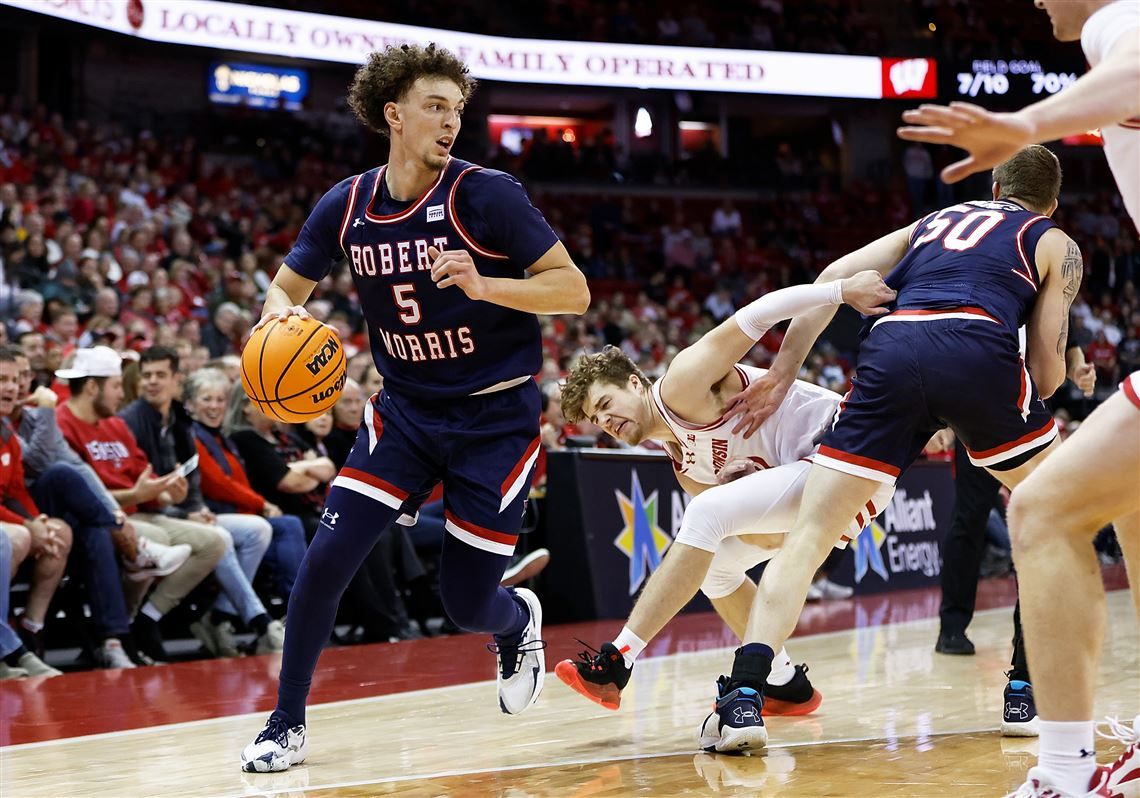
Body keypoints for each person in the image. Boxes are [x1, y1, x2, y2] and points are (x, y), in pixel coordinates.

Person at [239, 43, 588, 773]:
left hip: (494, 422)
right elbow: (282, 289)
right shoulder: (346, 203)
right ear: (394, 115)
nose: (450, 121)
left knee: (466, 602)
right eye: (435, 106)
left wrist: (486, 286)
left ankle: (515, 617)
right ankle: (285, 722)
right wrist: (279, 323)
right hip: (403, 413)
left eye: (458, 109)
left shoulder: (487, 194)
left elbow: (572, 290)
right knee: (325, 559)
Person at [720, 146, 1084, 759]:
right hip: (978, 347)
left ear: (995, 185)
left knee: (809, 536)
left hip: (893, 349)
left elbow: (828, 281)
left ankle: (744, 698)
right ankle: (1024, 689)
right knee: (1053, 517)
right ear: (1052, 201)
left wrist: (784, 371)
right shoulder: (1055, 241)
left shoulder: (934, 221)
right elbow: (1047, 375)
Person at [899, 3, 1140, 795]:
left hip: (964, 386)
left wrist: (1023, 120)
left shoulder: (1117, 18)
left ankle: (1066, 772)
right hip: (994, 390)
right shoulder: (1053, 241)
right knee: (1119, 506)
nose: (1036, 0)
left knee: (1039, 513)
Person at [552, 272, 895, 751]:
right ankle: (783, 681)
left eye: (607, 403)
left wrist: (839, 293)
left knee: (707, 515)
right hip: (823, 488)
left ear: (636, 382)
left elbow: (758, 313)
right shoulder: (684, 465)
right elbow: (769, 540)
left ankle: (619, 659)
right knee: (715, 567)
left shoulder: (682, 383)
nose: (606, 421)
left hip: (849, 451)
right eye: (596, 418)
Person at [54, 346, 228, 664]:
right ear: (93, 386)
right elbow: (85, 496)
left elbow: (142, 477)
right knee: (154, 542)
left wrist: (167, 493)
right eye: (117, 385)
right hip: (101, 521)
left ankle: (142, 618)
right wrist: (138, 494)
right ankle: (122, 629)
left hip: (140, 513)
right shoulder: (62, 425)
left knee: (214, 541)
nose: (123, 394)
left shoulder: (115, 426)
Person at [119, 347, 284, 658]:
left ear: (176, 380)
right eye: (147, 375)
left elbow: (189, 475)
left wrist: (196, 508)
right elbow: (140, 484)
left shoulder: (179, 417)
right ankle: (258, 621)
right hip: (152, 511)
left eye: (160, 375)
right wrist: (185, 511)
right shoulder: (131, 420)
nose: (153, 382)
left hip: (183, 511)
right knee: (219, 537)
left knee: (258, 531)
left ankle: (218, 616)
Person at [185, 370, 306, 606]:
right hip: (210, 513)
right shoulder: (193, 436)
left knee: (291, 525)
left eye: (220, 400)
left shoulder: (221, 438)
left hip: (238, 514)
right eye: (206, 399)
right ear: (190, 404)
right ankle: (294, 608)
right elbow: (218, 484)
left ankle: (294, 607)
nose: (214, 406)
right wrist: (262, 504)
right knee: (287, 526)